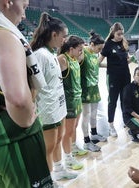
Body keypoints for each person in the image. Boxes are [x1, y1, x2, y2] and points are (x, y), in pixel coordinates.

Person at [0, 0, 52, 187]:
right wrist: (28, 118)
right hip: (13, 139)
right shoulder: (3, 35)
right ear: (8, 2)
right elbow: (19, 100)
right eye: (25, 6)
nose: (24, 15)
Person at [30, 12, 78, 183]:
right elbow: (33, 85)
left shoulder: (52, 54)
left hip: (58, 105)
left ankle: (59, 170)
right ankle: (48, 180)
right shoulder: (40, 55)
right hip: (47, 109)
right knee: (48, 148)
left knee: (58, 139)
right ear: (54, 34)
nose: (65, 40)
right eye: (63, 36)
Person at [58, 35, 86, 170]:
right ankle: (68, 159)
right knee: (67, 132)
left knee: (74, 128)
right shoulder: (62, 59)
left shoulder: (74, 58)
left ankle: (73, 148)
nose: (81, 52)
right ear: (71, 49)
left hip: (77, 98)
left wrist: (81, 45)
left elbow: (84, 52)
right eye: (79, 49)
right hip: (69, 101)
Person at [99, 22, 131, 137]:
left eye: (122, 34)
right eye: (118, 34)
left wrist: (133, 59)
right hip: (113, 78)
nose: (121, 36)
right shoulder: (108, 45)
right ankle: (111, 126)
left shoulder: (124, 43)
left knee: (125, 100)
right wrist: (109, 66)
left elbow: (127, 59)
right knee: (112, 101)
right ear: (113, 33)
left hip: (126, 76)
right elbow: (98, 62)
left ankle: (126, 121)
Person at [80, 31, 107, 152]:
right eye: (99, 48)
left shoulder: (94, 54)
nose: (100, 51)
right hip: (85, 88)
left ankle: (94, 133)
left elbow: (95, 65)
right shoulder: (83, 52)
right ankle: (86, 141)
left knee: (94, 113)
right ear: (92, 44)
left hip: (94, 86)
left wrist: (109, 65)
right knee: (86, 115)